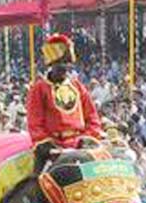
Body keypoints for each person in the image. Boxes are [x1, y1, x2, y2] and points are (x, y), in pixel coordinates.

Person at [27, 34, 102, 165]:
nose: (64, 67)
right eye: (60, 63)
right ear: (51, 65)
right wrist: (49, 146)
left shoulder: (78, 86)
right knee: (38, 180)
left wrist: (88, 138)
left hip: (81, 143)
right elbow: (35, 124)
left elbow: (92, 117)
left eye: (67, 63)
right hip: (53, 147)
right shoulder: (39, 88)